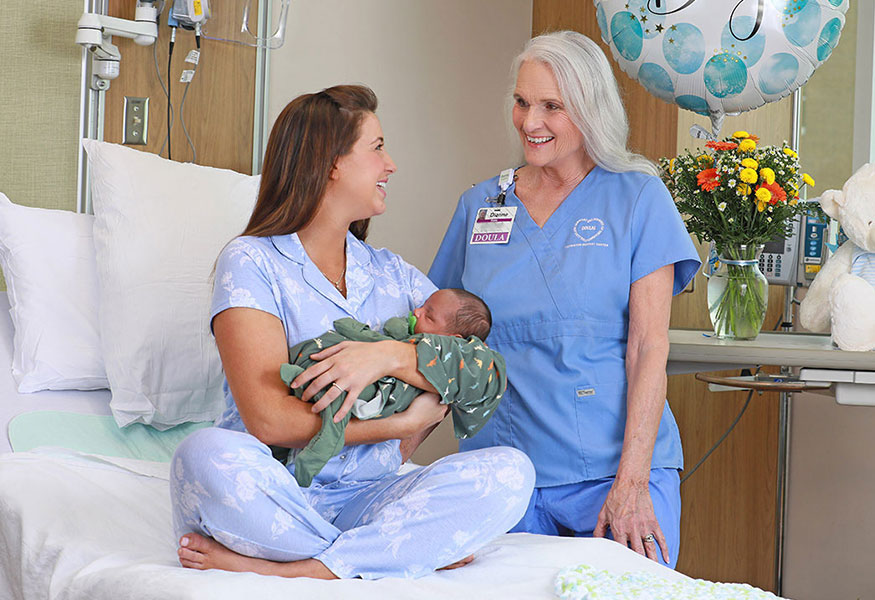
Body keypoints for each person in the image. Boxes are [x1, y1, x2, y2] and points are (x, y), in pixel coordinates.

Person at [169, 85, 535, 580]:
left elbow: (482, 373)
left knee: (511, 473)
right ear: (331, 162)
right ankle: (385, 555)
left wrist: (387, 358)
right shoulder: (253, 261)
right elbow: (269, 423)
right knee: (204, 455)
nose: (392, 165)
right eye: (378, 147)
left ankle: (298, 567)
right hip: (276, 491)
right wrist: (397, 427)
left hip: (370, 497)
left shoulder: (395, 276)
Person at [428, 31, 701, 568]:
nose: (531, 122)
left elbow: (648, 347)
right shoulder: (482, 205)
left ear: (590, 107)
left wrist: (631, 482)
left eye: (552, 106)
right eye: (522, 102)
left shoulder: (637, 197)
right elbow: (438, 346)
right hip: (503, 472)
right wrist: (388, 469)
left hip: (612, 470)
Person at [281, 288, 505, 487]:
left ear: (452, 340)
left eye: (428, 315)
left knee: (509, 468)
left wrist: (391, 357)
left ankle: (327, 431)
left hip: (377, 449)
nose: (416, 311)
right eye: (422, 307)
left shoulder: (445, 354)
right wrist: (405, 424)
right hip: (296, 464)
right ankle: (305, 382)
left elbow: (487, 373)